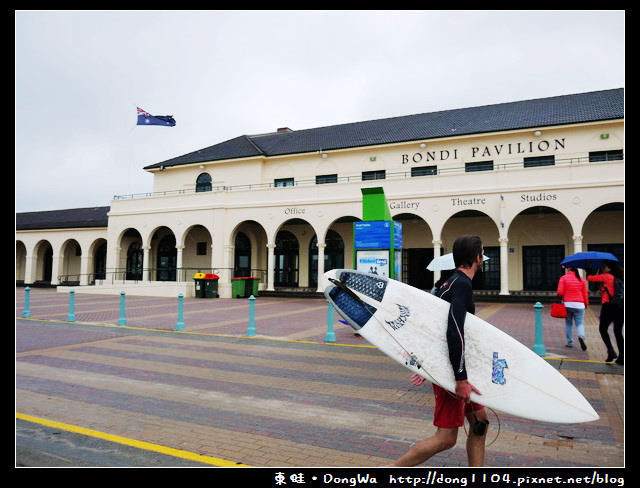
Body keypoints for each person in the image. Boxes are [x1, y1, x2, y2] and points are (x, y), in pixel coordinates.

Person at [389, 235, 488, 467]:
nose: (482, 258)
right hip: (453, 372)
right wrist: (460, 378)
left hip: (456, 367)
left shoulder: (449, 283)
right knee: (445, 439)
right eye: (482, 253)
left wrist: (423, 364)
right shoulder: (461, 285)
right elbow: (454, 331)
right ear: (477, 257)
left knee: (480, 423)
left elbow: (432, 328)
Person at [587, 260, 624, 365]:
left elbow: (590, 278)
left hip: (609, 306)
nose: (603, 269)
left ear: (609, 268)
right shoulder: (621, 277)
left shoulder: (607, 276)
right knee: (618, 332)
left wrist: (588, 270)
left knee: (602, 329)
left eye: (604, 267)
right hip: (621, 307)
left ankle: (611, 350)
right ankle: (622, 356)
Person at [556, 267, 589, 350]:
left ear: (568, 269)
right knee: (579, 323)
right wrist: (586, 304)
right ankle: (581, 336)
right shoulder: (581, 279)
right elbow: (585, 293)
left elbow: (560, 292)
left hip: (567, 304)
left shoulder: (563, 278)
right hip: (580, 304)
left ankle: (569, 342)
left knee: (568, 323)